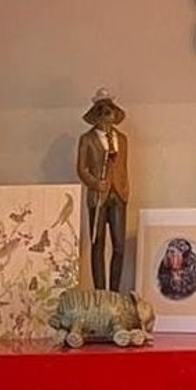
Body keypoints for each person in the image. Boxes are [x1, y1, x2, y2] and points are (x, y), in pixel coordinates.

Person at [76, 89, 129, 291]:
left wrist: (124, 189)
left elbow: (122, 167)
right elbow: (82, 168)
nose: (107, 116)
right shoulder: (87, 139)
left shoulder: (122, 139)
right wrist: (94, 183)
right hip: (98, 197)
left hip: (118, 195)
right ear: (96, 115)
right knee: (97, 244)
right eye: (103, 112)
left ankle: (114, 292)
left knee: (119, 246)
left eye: (110, 112)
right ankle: (100, 292)